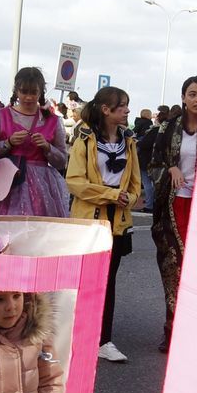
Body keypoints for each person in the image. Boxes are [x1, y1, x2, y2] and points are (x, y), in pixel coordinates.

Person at [68, 87, 142, 363]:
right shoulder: (85, 139)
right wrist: (111, 194)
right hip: (90, 219)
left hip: (118, 220)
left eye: (127, 105)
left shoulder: (129, 140)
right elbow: (74, 182)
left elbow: (134, 182)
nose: (126, 110)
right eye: (121, 106)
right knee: (85, 279)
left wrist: (130, 197)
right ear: (105, 110)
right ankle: (77, 335)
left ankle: (103, 339)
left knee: (108, 281)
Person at [149, 76, 197, 353]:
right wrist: (169, 168)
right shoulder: (168, 127)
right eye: (193, 94)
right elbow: (153, 162)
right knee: (174, 269)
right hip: (175, 205)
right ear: (183, 97)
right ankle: (172, 329)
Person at [0, 67, 70, 217]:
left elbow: (62, 161)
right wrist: (8, 143)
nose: (28, 97)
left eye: (33, 93)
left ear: (40, 92)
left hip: (41, 188)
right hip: (5, 183)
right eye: (24, 92)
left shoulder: (53, 120)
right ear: (16, 91)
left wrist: (47, 147)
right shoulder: (1, 115)